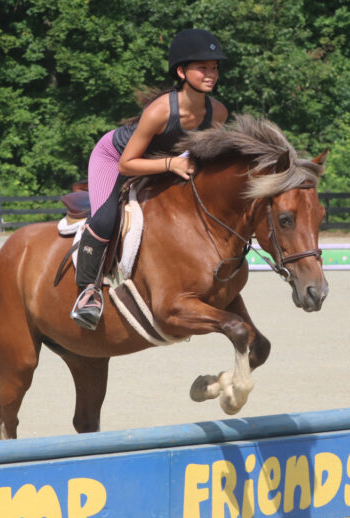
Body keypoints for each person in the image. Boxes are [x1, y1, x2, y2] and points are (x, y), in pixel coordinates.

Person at [70, 28, 229, 330]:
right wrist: (171, 164)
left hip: (165, 163)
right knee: (105, 218)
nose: (211, 74)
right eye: (203, 67)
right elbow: (128, 164)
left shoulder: (218, 112)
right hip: (115, 158)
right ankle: (88, 292)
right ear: (181, 72)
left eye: (215, 67)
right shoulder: (159, 111)